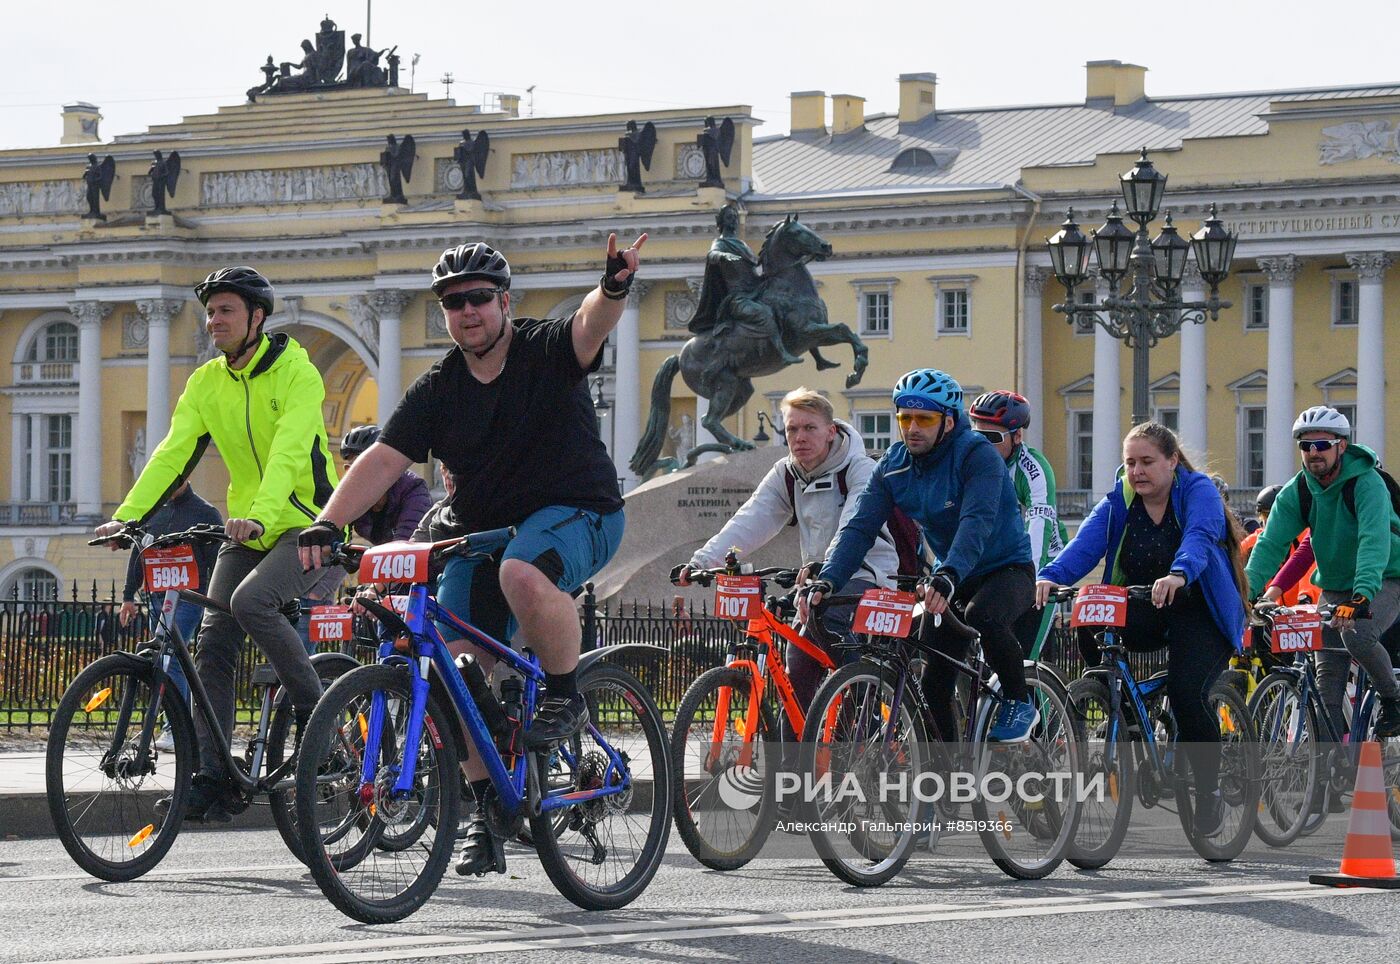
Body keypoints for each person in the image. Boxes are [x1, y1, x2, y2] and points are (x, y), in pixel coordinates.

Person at [298, 234, 643, 876]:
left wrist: (615, 286)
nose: (468, 311)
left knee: (523, 568)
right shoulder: (439, 389)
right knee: (456, 673)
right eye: (454, 302)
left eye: (480, 298)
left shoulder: (543, 349)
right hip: (481, 535)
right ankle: (488, 814)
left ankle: (565, 697)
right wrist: (327, 522)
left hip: (580, 513)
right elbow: (384, 458)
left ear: (504, 301)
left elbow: (591, 325)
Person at [93, 266, 339, 821]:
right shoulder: (207, 383)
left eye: (226, 310)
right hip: (247, 526)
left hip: (306, 521)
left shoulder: (297, 374)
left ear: (256, 317)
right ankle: (213, 774)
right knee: (213, 640)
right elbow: (173, 452)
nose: (213, 321)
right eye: (209, 311)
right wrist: (128, 518)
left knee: (252, 602)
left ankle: (317, 717)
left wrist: (258, 515)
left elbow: (290, 453)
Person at [804, 369, 1041, 743]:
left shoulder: (977, 455)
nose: (912, 427)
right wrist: (829, 578)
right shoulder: (894, 465)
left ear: (948, 421)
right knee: (934, 684)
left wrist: (947, 574)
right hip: (953, 576)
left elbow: (975, 522)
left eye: (924, 419)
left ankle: (1018, 700)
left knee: (984, 615)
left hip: (1005, 568)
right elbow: (860, 527)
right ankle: (947, 778)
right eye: (904, 417)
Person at [1035, 421, 1248, 837]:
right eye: (1130, 463)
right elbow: (1086, 543)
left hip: (1197, 609)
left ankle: (1209, 792)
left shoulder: (1197, 489)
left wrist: (1179, 574)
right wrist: (1051, 575)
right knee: (1090, 612)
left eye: (1147, 462)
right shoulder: (1121, 499)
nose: (1137, 471)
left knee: (1188, 695)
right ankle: (1122, 707)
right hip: (1146, 604)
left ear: (1171, 461)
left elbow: (1202, 536)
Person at [678, 387, 899, 744]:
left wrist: (827, 571)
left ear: (831, 430)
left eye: (809, 428)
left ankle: (864, 716)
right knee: (795, 673)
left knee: (833, 627)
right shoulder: (787, 473)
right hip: (817, 582)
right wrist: (704, 561)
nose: (799, 437)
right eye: (792, 429)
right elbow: (752, 518)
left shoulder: (860, 469)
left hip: (867, 574)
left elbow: (854, 527)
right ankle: (791, 781)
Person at [1245, 406, 1400, 739]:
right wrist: (1244, 593)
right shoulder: (1298, 490)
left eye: (1322, 444)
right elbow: (1270, 544)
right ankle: (1331, 770)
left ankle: (1393, 698)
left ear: (1342, 445)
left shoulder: (1366, 482)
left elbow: (1373, 541)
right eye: (1305, 445)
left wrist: (1362, 595)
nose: (1313, 452)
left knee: (1357, 635)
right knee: (1325, 682)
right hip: (1334, 585)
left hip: (1385, 576)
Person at [117, 479, 223, 748]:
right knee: (164, 657)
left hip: (189, 596)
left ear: (186, 478)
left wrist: (214, 597)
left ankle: (174, 728)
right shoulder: (153, 511)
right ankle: (174, 726)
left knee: (169, 654)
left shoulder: (205, 512)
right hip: (157, 595)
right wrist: (129, 596)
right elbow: (139, 553)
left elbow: (217, 559)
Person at [968, 390, 1068, 657]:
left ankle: (1034, 695)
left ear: (1017, 436)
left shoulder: (1033, 468)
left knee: (1024, 658)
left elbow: (1039, 525)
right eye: (978, 436)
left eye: (992, 438)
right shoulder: (972, 464)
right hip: (997, 562)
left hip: (1041, 563)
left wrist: (1030, 577)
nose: (983, 445)